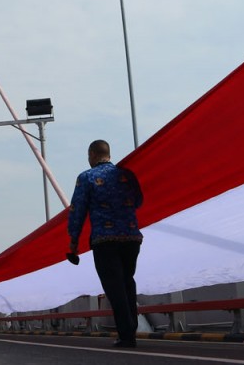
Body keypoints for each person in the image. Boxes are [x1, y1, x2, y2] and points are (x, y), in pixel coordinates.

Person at [67, 139, 143, 348]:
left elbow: (77, 211)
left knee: (114, 287)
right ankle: (131, 330)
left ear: (92, 154)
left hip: (105, 240)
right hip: (131, 238)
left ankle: (126, 334)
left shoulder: (86, 177)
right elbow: (138, 201)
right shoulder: (127, 174)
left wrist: (73, 241)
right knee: (127, 282)